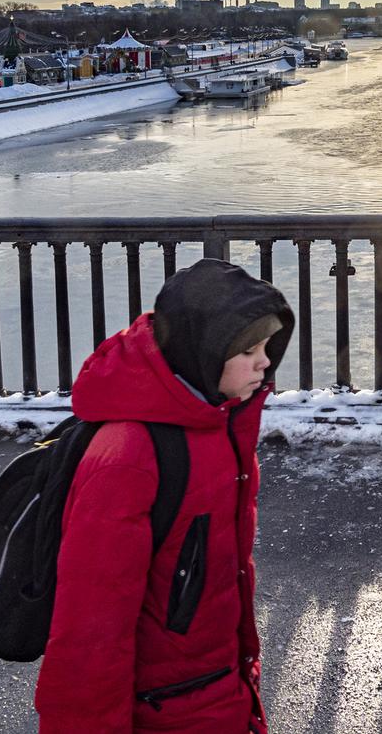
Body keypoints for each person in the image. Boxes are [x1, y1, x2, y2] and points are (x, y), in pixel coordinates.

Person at [34, 258, 294, 733]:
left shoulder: (217, 423)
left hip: (217, 690)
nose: (266, 362)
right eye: (250, 350)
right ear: (206, 351)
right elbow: (90, 637)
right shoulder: (129, 458)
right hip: (167, 708)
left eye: (268, 347)